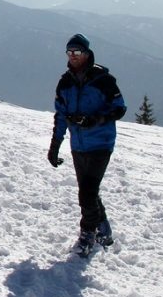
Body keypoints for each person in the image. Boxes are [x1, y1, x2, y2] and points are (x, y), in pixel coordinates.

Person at [47, 33, 126, 256]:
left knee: (87, 193)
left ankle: (87, 234)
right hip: (79, 145)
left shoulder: (102, 80)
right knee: (89, 191)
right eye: (69, 52)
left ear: (86, 53)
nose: (73, 56)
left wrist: (95, 120)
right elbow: (60, 116)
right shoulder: (65, 83)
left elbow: (119, 108)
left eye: (77, 52)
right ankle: (104, 229)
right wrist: (54, 147)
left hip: (101, 143)